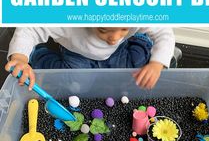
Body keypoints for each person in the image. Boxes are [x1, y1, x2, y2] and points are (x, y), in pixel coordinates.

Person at [5, 26, 175, 90]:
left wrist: (157, 63)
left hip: (117, 51)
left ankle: (140, 38)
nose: (114, 37)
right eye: (103, 29)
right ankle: (38, 54)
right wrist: (21, 57)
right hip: (77, 53)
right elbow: (31, 27)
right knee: (76, 85)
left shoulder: (135, 10)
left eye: (124, 28)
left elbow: (163, 31)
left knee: (139, 65)